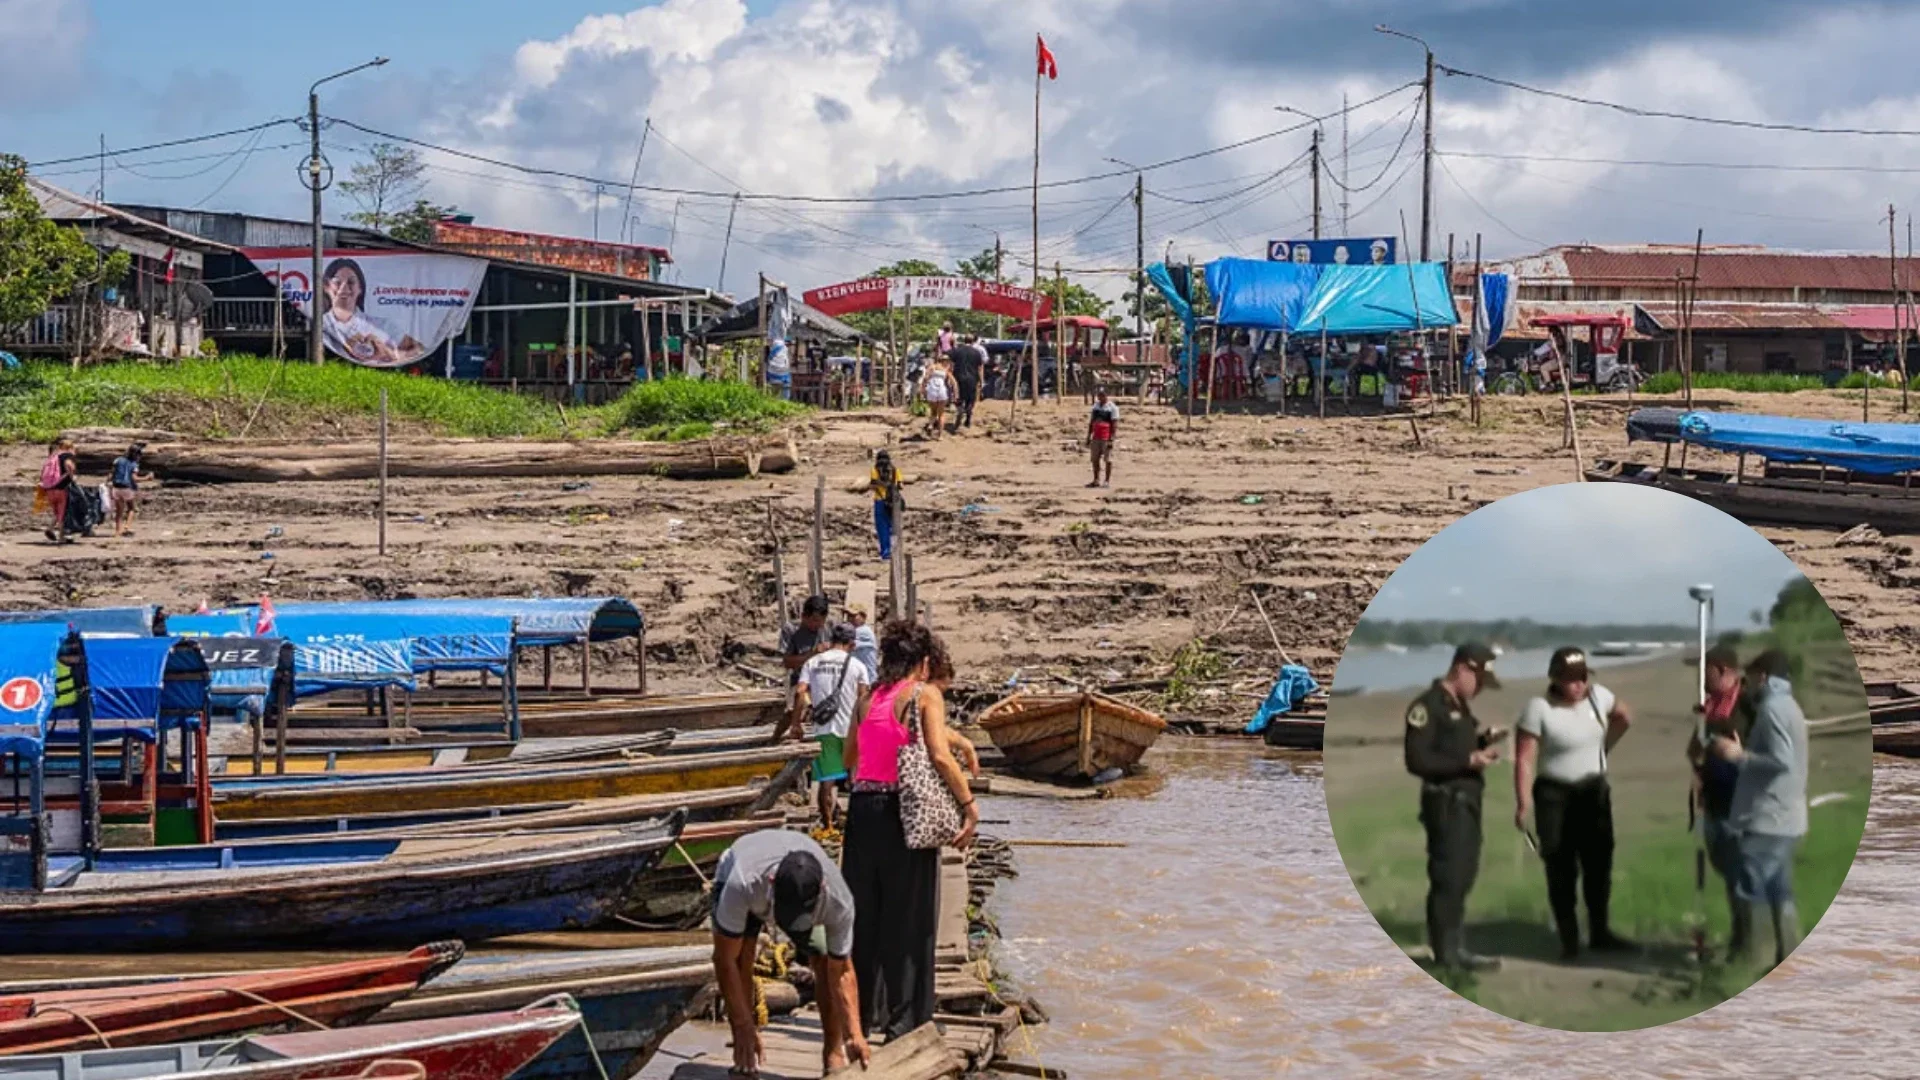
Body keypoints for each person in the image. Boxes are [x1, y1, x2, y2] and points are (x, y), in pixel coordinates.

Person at [842, 622, 978, 1042]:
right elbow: (939, 755)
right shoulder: (924, 694)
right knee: (911, 917)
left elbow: (851, 756)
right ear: (923, 663)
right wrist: (968, 806)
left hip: (863, 812)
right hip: (904, 814)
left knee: (867, 919)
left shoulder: (867, 698)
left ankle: (864, 1018)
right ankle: (907, 1021)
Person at [710, 829, 869, 1076]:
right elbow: (724, 960)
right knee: (743, 957)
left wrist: (855, 1033)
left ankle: (833, 1051)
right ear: (773, 882)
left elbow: (841, 971)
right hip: (747, 882)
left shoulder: (839, 901)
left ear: (822, 888)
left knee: (825, 957)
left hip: (789, 889)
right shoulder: (741, 882)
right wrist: (743, 1024)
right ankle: (746, 1055)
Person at [1513, 647, 1635, 961]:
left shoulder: (1599, 698)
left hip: (1592, 791)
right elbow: (1525, 759)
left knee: (1598, 865)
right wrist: (1523, 802)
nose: (1578, 685)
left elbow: (1624, 716)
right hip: (1555, 795)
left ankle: (1600, 932)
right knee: (1560, 868)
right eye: (1571, 680)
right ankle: (1569, 940)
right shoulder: (1538, 709)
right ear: (1555, 679)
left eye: (1582, 677)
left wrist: (1604, 750)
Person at [1404, 641, 1506, 972]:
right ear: (1462, 668)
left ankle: (1456, 948)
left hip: (1467, 803)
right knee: (1448, 876)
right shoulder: (1427, 706)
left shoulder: (1460, 707)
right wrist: (1468, 759)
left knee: (1463, 874)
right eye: (1478, 681)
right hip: (1445, 803)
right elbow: (1418, 759)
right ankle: (1445, 954)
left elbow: (1451, 746)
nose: (1479, 690)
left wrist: (1482, 742)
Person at [1714, 648, 1810, 970]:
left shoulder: (1772, 709)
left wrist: (1739, 755)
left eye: (1752, 678)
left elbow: (1781, 761)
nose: (1749, 684)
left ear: (1763, 678)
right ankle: (1789, 958)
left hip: (1771, 816)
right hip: (1786, 815)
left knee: (1750, 883)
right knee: (1778, 887)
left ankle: (1757, 961)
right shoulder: (1790, 707)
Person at [1688, 643, 1752, 956]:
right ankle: (1739, 942)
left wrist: (1738, 753)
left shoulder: (1750, 705)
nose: (1700, 680)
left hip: (1745, 809)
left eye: (1705, 673)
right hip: (1714, 804)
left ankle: (1752, 947)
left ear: (1723, 671)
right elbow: (1694, 753)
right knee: (1729, 878)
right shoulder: (1709, 707)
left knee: (1745, 881)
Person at [790, 623, 874, 831]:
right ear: (852, 644)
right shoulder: (858, 666)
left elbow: (800, 692)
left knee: (826, 782)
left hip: (824, 730)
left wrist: (796, 724)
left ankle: (828, 827)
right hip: (851, 730)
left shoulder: (813, 662)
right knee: (855, 780)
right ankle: (858, 825)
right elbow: (863, 699)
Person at [319, 258, 424, 366]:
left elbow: (419, 348)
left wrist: (391, 354)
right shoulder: (319, 325)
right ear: (326, 287)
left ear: (360, 288)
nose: (344, 288)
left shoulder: (381, 325)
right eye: (337, 282)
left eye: (351, 282)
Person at [778, 595, 832, 701]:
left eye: (822, 621)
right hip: (800, 684)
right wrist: (812, 654)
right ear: (803, 616)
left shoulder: (827, 628)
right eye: (815, 620)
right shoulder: (791, 630)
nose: (820, 625)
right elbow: (787, 662)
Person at [37, 438, 77, 544]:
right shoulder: (67, 456)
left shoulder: (52, 457)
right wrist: (71, 476)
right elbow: (69, 466)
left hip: (49, 488)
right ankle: (61, 536)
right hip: (61, 487)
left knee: (56, 512)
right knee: (62, 512)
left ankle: (50, 528)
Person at [109, 443, 153, 538]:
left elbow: (111, 474)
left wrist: (107, 483)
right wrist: (147, 478)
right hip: (126, 488)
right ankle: (127, 527)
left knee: (119, 512)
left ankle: (117, 532)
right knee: (131, 508)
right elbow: (134, 478)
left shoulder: (117, 460)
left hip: (116, 487)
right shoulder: (134, 464)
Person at [869, 451, 903, 563]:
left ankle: (886, 552)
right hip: (893, 502)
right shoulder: (895, 470)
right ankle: (895, 552)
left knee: (882, 528)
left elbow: (873, 485)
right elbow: (900, 485)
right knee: (893, 527)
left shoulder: (875, 470)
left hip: (879, 501)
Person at [948, 335, 985, 431]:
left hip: (958, 378)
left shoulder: (957, 351)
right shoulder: (977, 353)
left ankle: (960, 408)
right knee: (971, 399)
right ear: (973, 342)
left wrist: (949, 378)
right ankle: (968, 417)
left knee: (958, 396)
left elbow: (951, 366)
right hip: (972, 379)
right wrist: (981, 381)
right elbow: (980, 368)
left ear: (964, 341)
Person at [1086, 390, 1118, 489]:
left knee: (1108, 459)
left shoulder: (1112, 408)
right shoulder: (1096, 406)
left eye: (1102, 395)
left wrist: (1111, 438)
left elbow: (1114, 424)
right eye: (1099, 395)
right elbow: (1091, 422)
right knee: (1095, 459)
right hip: (1096, 437)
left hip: (1106, 437)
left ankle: (1107, 481)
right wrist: (1088, 435)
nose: (1100, 398)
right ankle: (1096, 480)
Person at [846, 602, 881, 676]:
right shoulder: (855, 630)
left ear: (863, 617)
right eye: (848, 615)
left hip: (868, 677)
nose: (849, 618)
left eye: (853, 616)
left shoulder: (863, 631)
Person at [921, 359, 952, 439]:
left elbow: (925, 378)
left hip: (932, 391)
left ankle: (931, 424)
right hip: (942, 391)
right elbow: (953, 382)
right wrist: (955, 394)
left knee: (933, 412)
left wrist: (922, 389)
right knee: (941, 414)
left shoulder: (932, 367)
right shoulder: (945, 370)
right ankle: (940, 436)